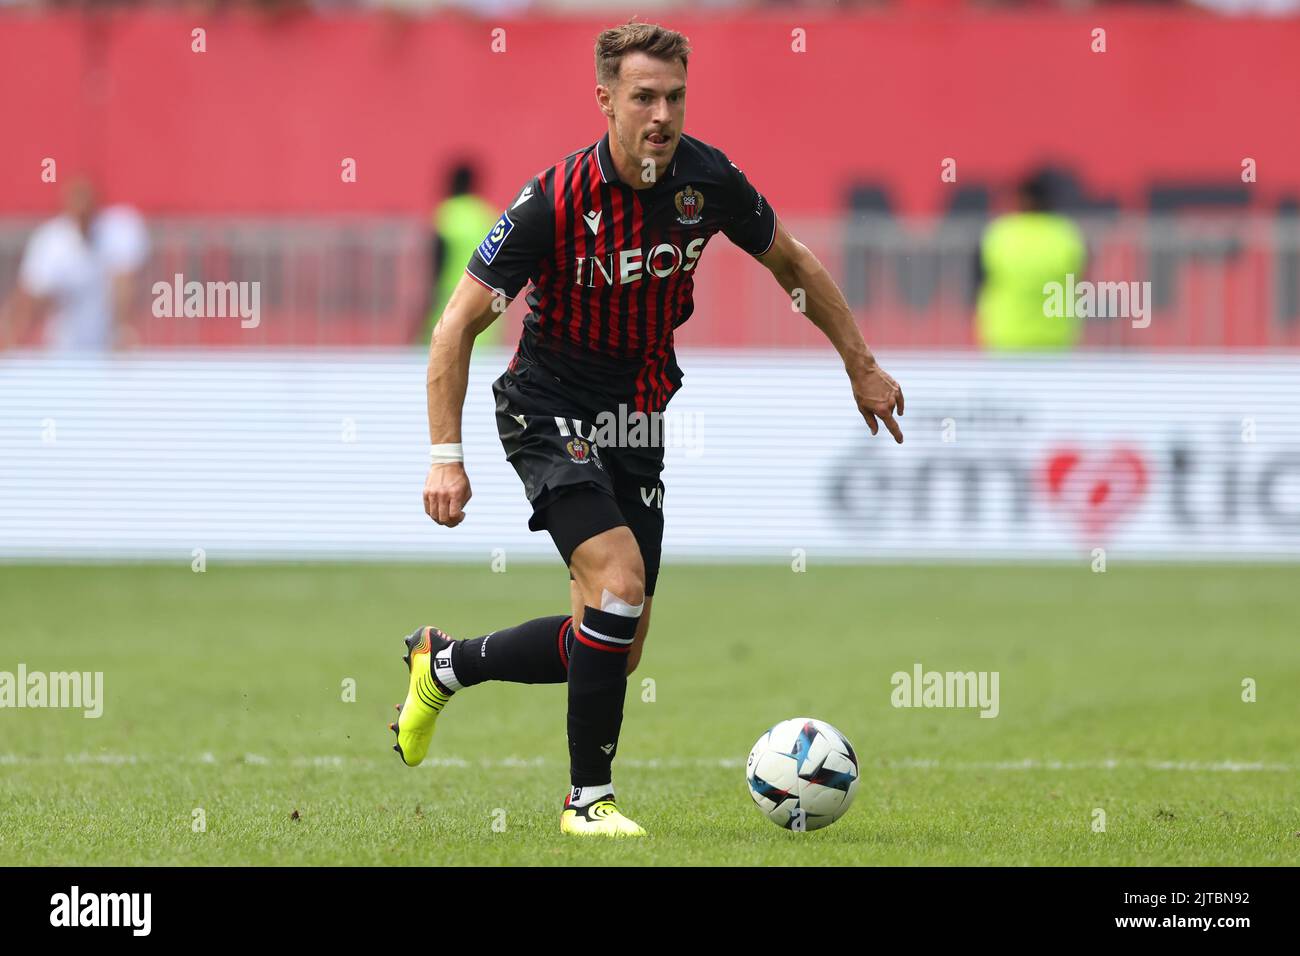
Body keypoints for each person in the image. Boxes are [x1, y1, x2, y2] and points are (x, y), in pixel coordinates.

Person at [391, 20, 904, 837]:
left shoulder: (709, 181)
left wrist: (861, 364)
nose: (661, 114)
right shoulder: (553, 200)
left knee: (615, 645)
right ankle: (586, 803)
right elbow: (455, 327)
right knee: (619, 585)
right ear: (605, 100)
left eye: (674, 96)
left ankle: (445, 664)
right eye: (643, 97)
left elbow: (794, 263)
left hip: (635, 421)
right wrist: (444, 458)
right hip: (544, 407)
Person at [0, 177, 149, 352]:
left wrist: (124, 329)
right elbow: (29, 300)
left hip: (108, 348)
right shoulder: (50, 242)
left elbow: (125, 284)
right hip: (65, 350)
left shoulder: (119, 229)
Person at [975, 170, 1087, 351]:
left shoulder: (1000, 234)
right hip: (1055, 336)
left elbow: (980, 281)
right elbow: (1080, 278)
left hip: (1006, 335)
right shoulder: (1066, 235)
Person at [419, 161, 498, 346]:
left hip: (448, 311)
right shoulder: (489, 217)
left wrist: (421, 317)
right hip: (486, 317)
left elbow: (435, 270)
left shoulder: (445, 216)